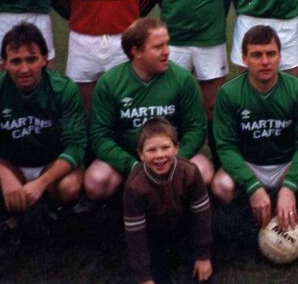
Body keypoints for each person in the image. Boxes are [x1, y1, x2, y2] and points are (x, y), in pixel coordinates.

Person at [0, 23, 86, 254]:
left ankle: (55, 213)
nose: (24, 69)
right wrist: (5, 176)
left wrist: (42, 182)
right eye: (16, 61)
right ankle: (7, 221)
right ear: (4, 63)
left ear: (44, 59)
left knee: (69, 186)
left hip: (50, 164)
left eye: (31, 59)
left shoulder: (64, 89)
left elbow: (76, 147)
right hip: (11, 165)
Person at [211, 26, 298, 230]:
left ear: (280, 56)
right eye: (256, 55)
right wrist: (252, 185)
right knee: (221, 187)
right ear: (244, 59)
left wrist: (290, 185)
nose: (265, 61)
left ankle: (296, 216)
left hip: (286, 165)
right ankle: (249, 220)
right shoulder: (229, 94)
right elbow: (226, 147)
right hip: (250, 164)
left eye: (271, 54)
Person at [86, 18, 212, 204]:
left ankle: (182, 210)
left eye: (167, 44)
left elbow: (197, 128)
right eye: (158, 46)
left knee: (204, 171)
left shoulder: (182, 79)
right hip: (129, 161)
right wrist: (132, 165)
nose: (166, 51)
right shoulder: (110, 83)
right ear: (136, 51)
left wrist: (177, 159)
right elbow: (99, 136)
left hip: (172, 157)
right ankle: (121, 207)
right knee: (96, 181)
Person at [123, 118, 212, 284]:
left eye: (165, 147)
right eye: (151, 150)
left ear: (176, 148)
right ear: (141, 154)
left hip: (184, 228)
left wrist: (203, 255)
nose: (159, 156)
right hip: (153, 234)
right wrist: (144, 277)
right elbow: (135, 234)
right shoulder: (134, 186)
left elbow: (202, 216)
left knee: (199, 276)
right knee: (158, 278)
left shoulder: (190, 172)